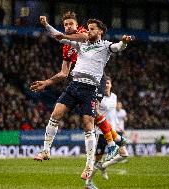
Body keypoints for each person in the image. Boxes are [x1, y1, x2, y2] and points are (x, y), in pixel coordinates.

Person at [31, 18, 132, 180]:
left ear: (100, 32)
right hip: (74, 85)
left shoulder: (106, 46)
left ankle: (89, 166)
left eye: (92, 29)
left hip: (89, 89)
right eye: (88, 28)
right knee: (55, 114)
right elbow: (59, 36)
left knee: (88, 126)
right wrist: (46, 26)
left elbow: (118, 47)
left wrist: (124, 41)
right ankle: (46, 150)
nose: (88, 31)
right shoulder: (81, 44)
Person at [85, 77, 129, 189]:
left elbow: (113, 114)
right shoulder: (99, 97)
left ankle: (104, 166)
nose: (106, 85)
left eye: (108, 83)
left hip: (113, 130)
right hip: (101, 132)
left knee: (124, 154)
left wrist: (119, 126)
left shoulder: (114, 96)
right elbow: (95, 113)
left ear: (111, 85)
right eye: (104, 83)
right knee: (96, 159)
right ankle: (88, 183)